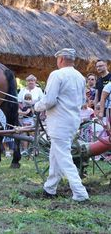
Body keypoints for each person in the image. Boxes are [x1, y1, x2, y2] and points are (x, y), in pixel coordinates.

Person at [34, 48, 89, 202]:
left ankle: (80, 193)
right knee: (55, 155)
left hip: (59, 122)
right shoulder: (80, 77)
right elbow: (83, 101)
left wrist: (37, 106)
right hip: (73, 121)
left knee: (64, 157)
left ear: (61, 59)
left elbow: (49, 100)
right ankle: (49, 188)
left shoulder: (57, 75)